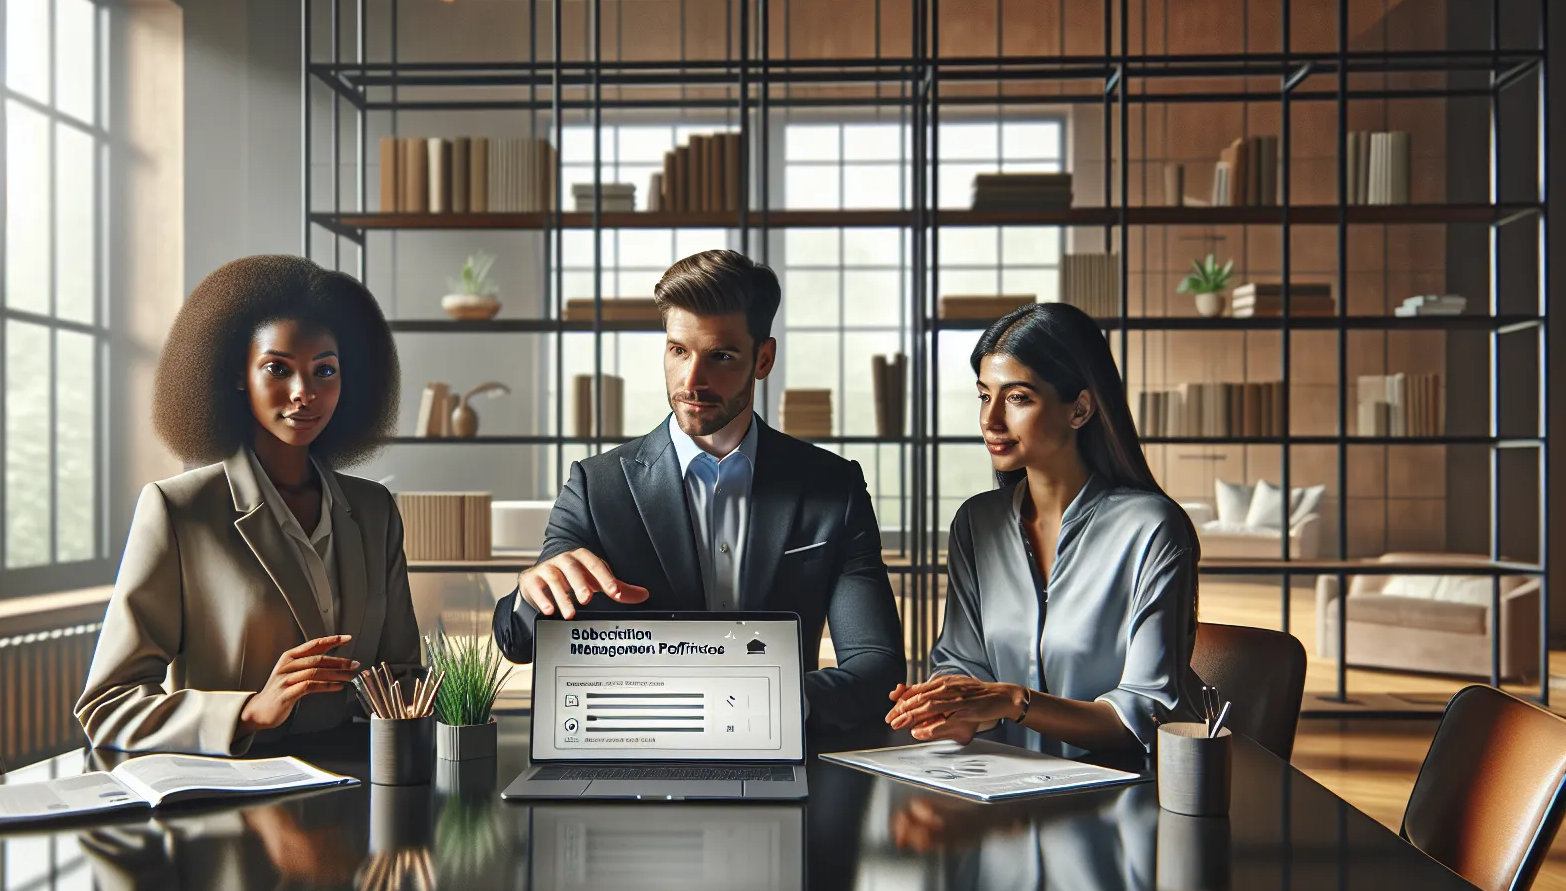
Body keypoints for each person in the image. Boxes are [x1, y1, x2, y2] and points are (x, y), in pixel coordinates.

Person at [490, 249, 904, 728]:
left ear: (763, 359)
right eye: (678, 351)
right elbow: (518, 642)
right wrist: (531, 594)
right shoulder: (595, 486)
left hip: (783, 748)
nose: (692, 381)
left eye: (720, 356)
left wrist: (750, 703)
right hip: (633, 753)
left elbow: (878, 670)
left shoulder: (834, 487)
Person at [77, 254, 420, 756]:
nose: (304, 393)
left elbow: (403, 678)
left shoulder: (374, 510)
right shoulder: (180, 511)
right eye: (278, 369)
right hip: (230, 788)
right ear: (239, 374)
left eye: (324, 371)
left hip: (359, 781)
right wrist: (250, 710)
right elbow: (108, 706)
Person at [886, 302, 1202, 753]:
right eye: (984, 395)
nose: (990, 420)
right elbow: (963, 663)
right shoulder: (976, 524)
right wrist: (949, 708)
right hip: (999, 785)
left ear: (1080, 409)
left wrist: (1015, 701)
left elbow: (1147, 714)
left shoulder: (1151, 529)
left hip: (1124, 788)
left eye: (1017, 398)